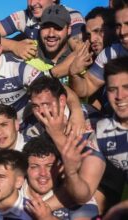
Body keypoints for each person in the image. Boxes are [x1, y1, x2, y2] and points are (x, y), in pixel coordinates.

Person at [27, 76, 106, 210]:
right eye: (36, 106)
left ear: (62, 100)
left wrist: (56, 134)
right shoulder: (32, 128)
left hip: (94, 186)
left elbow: (83, 179)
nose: (41, 111)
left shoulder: (94, 124)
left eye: (46, 104)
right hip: (56, 185)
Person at [22, 136, 99, 219]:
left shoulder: (76, 197)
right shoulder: (12, 192)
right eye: (35, 166)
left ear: (60, 167)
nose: (43, 173)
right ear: (24, 169)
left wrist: (48, 218)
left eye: (49, 166)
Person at [69, 0, 128, 99]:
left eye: (98, 31)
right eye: (119, 26)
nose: (122, 31)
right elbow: (87, 87)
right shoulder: (109, 53)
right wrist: (74, 74)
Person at [0, 0, 85, 60]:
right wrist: (14, 46)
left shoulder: (71, 16)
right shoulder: (25, 15)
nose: (32, 3)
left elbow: (81, 53)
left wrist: (50, 74)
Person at [92, 57, 128, 213]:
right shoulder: (104, 133)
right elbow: (86, 189)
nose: (120, 96)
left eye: (127, 87)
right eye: (112, 89)